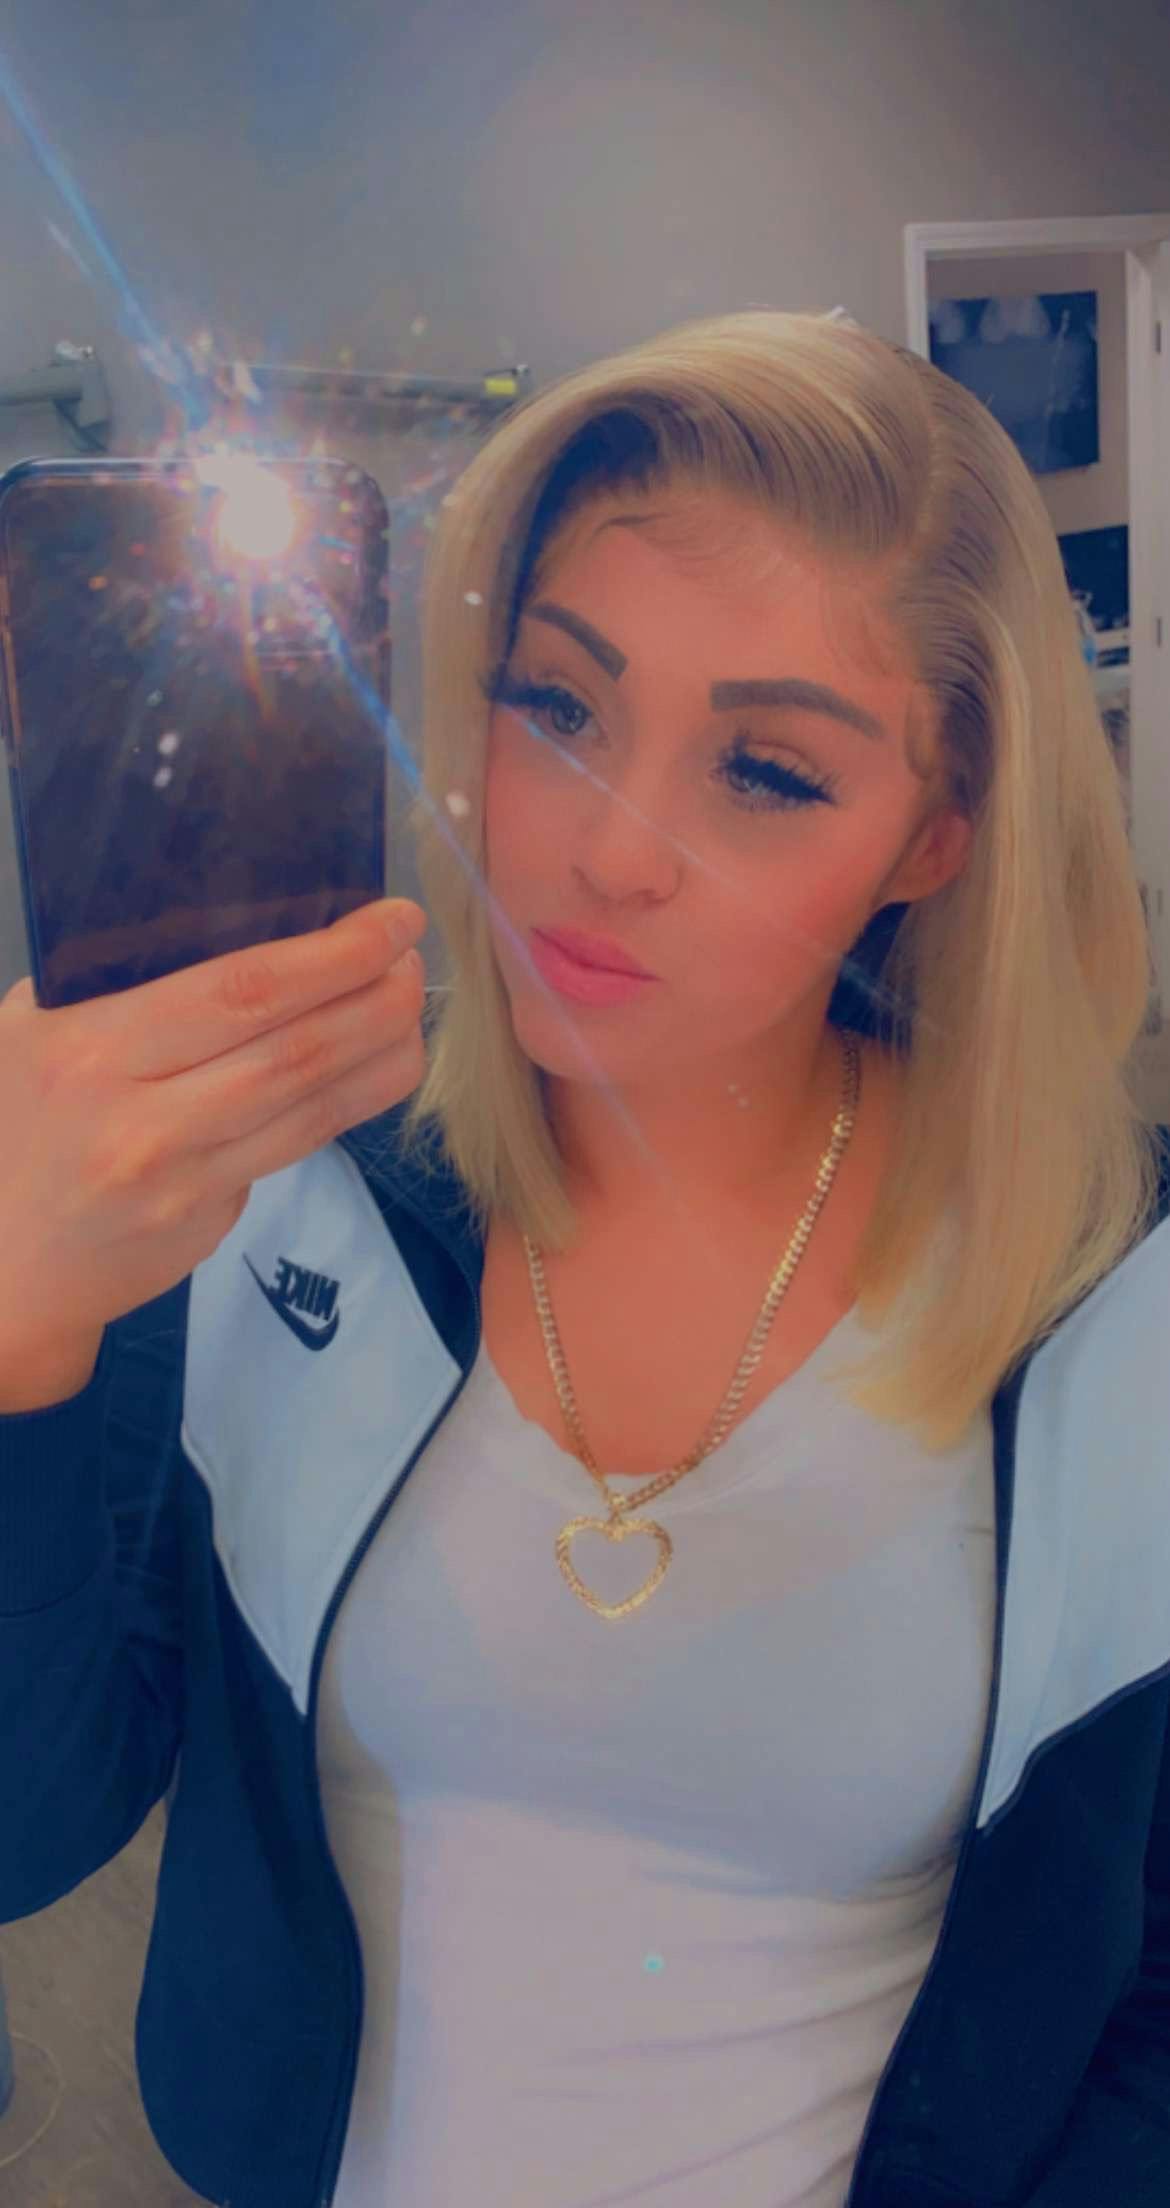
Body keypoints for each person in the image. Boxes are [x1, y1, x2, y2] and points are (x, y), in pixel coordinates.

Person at [0, 309, 1167, 2208]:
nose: (605, 853)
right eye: (556, 705)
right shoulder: (281, 1198)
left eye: (765, 771)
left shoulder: (1120, 1304)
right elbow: (24, 1822)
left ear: (935, 835)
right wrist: (17, 1323)